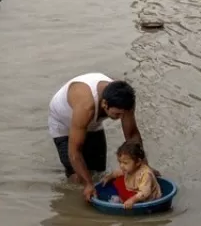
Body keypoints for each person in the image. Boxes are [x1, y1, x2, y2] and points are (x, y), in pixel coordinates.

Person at [48, 73, 142, 201]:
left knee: (98, 172)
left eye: (123, 115)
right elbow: (74, 152)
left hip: (91, 121)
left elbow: (132, 136)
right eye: (117, 114)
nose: (121, 118)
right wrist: (88, 184)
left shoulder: (126, 101)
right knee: (78, 177)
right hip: (63, 122)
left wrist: (143, 167)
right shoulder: (86, 106)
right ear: (104, 104)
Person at [107, 141, 161, 210]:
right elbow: (118, 172)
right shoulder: (128, 168)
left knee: (138, 198)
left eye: (125, 163)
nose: (121, 166)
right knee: (118, 180)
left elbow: (145, 192)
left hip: (148, 199)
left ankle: (126, 201)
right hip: (135, 191)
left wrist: (132, 200)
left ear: (138, 162)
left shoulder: (145, 174)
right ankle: (123, 200)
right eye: (120, 162)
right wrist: (109, 177)